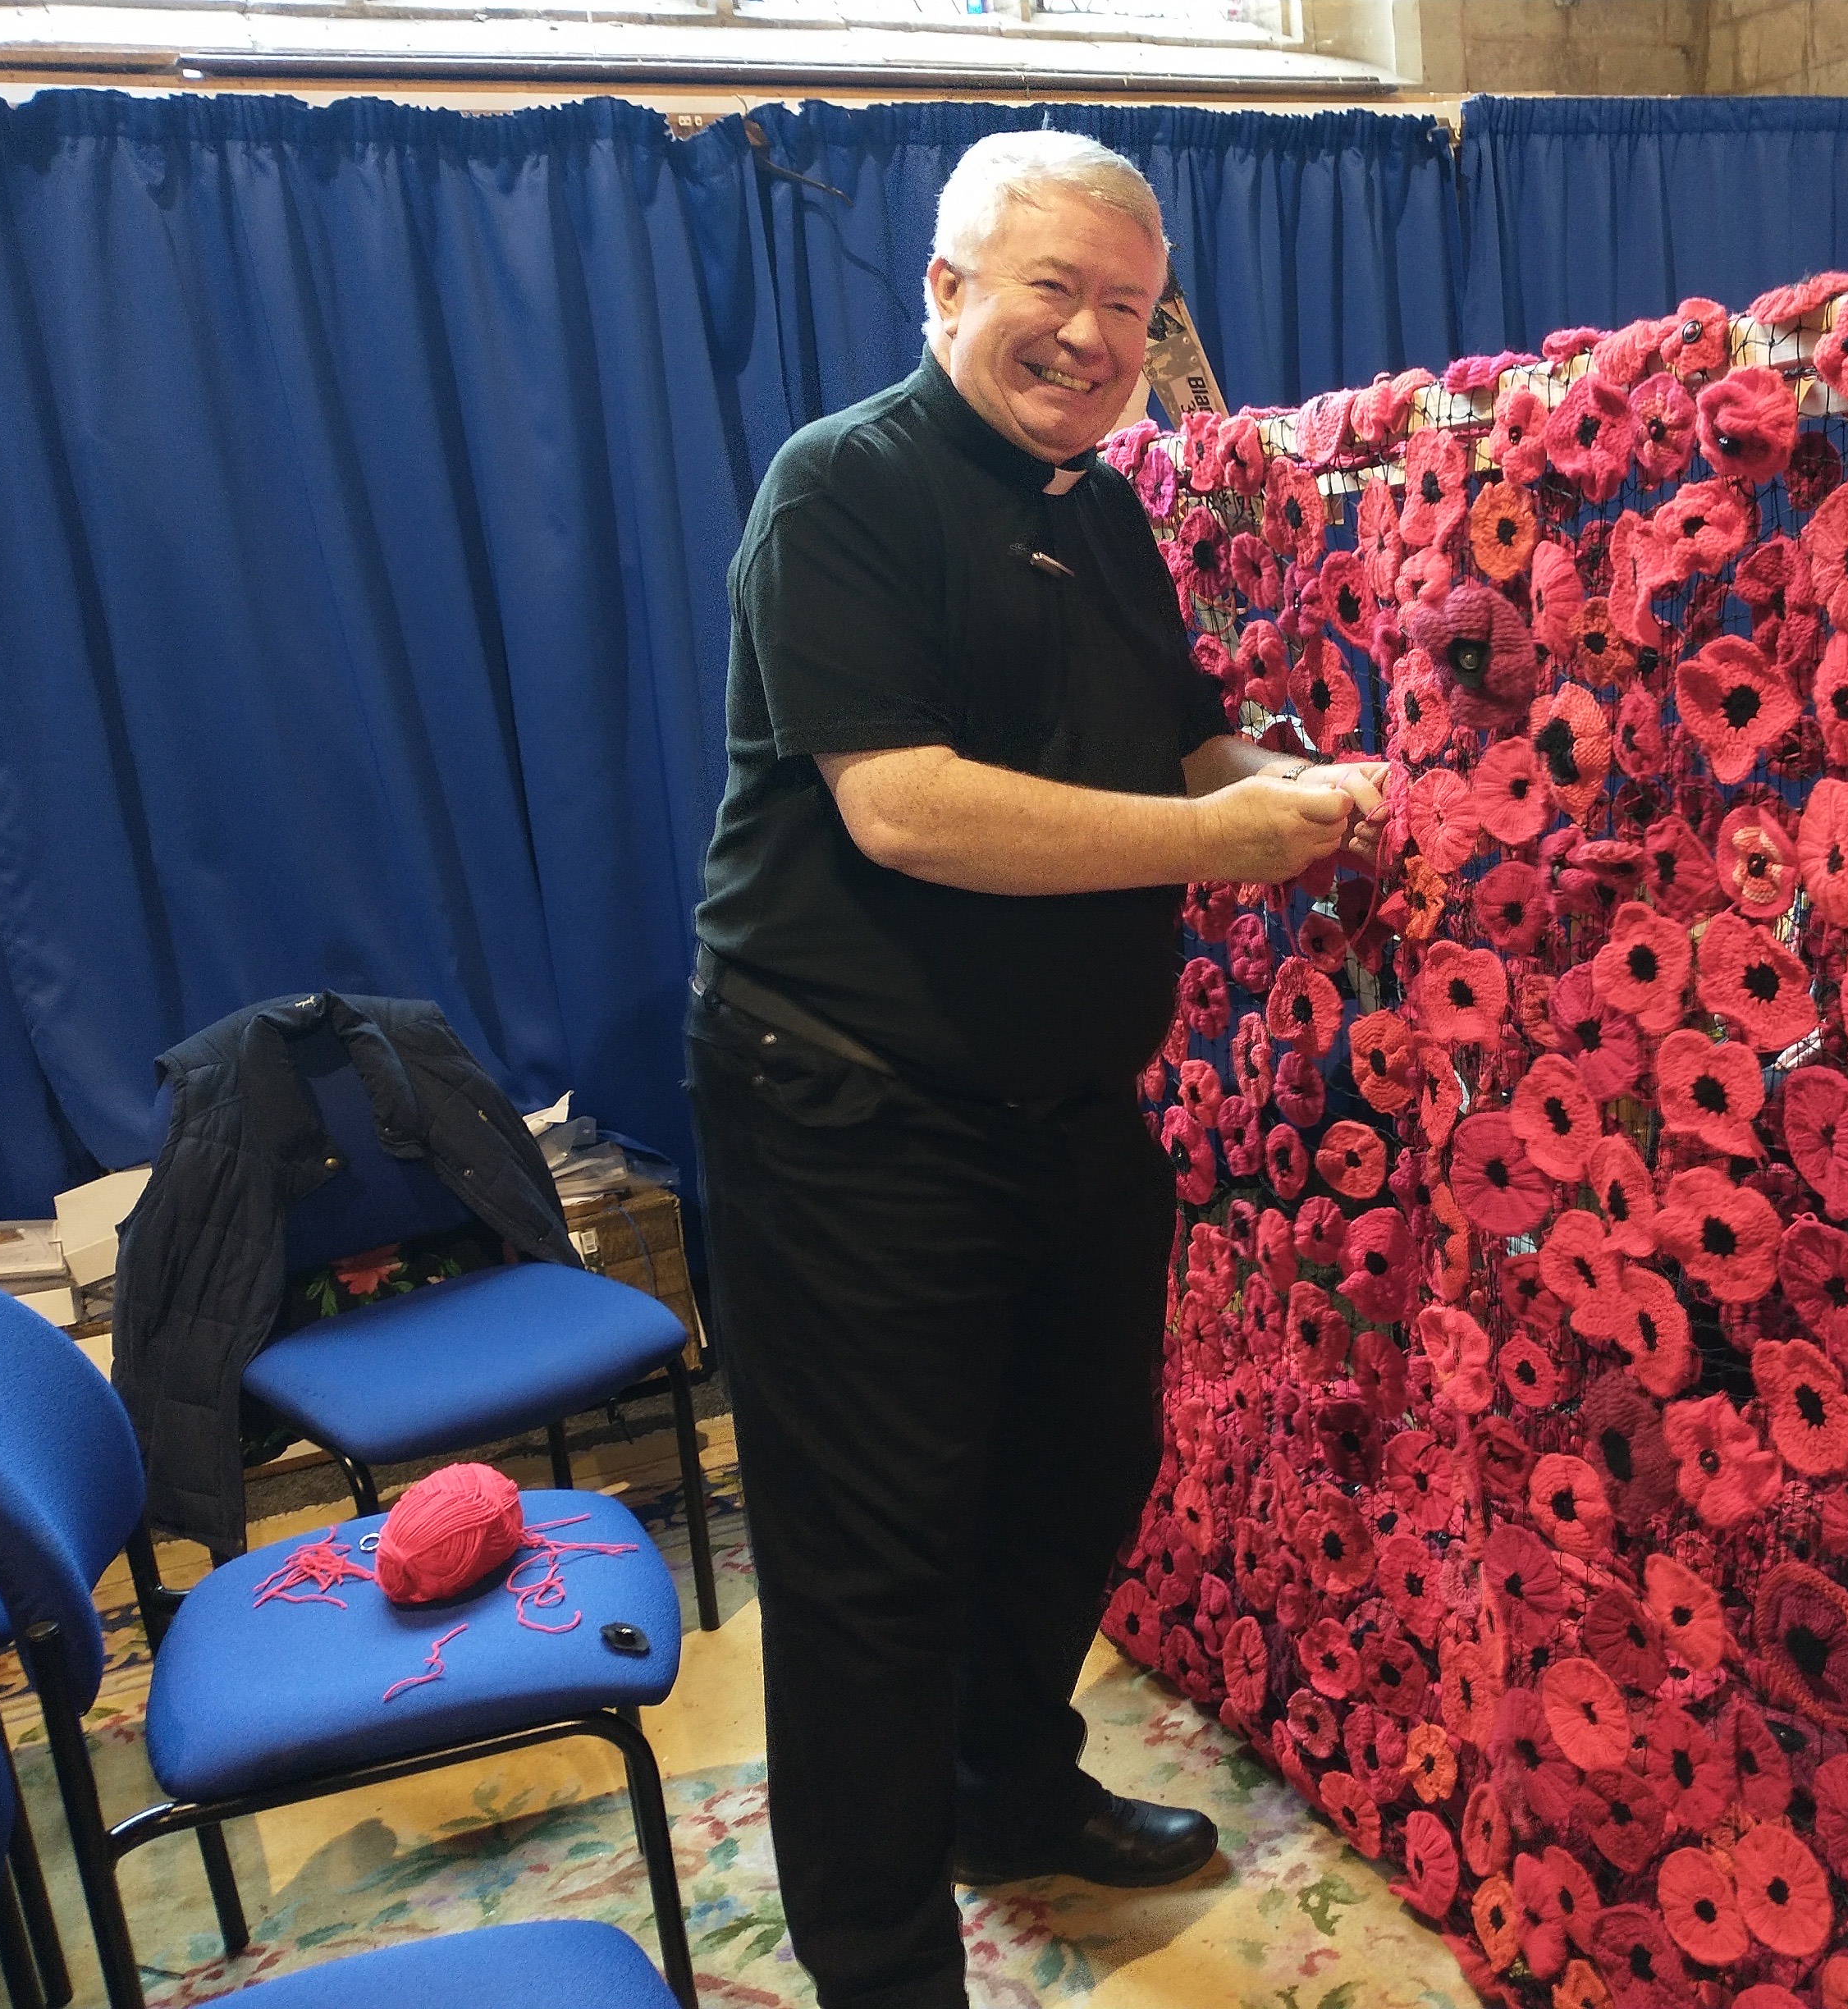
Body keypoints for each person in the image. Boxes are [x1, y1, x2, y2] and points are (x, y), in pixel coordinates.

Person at [687, 130, 1385, 2009]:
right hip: (847, 1111)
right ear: (946, 291)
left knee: (1076, 1476)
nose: (1088, 338)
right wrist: (1227, 846)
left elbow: (1179, 751)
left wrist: (1309, 792)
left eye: (1128, 312)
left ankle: (1008, 1796)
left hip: (1066, 1109)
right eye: (1051, 292)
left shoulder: (1098, 508)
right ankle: (880, 1958)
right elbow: (902, 807)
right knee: (874, 1560)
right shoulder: (839, 490)